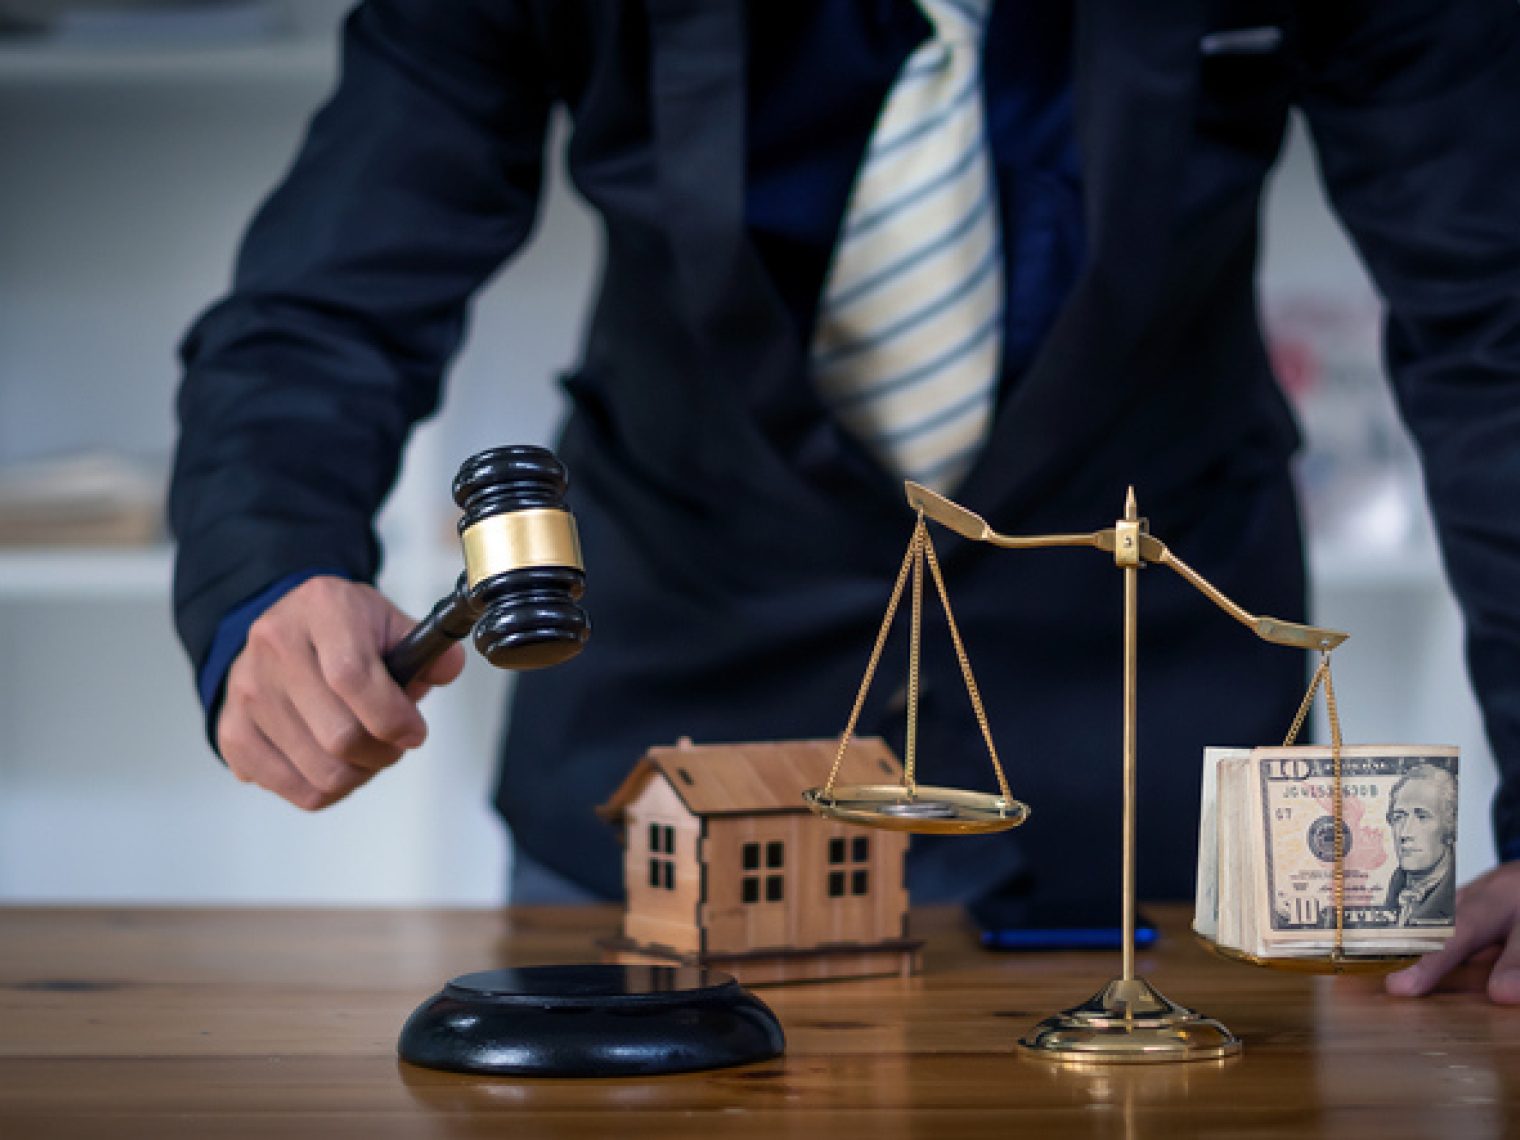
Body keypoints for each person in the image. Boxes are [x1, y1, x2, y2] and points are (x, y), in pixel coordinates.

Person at [169, 0, 1520, 1002]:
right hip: (682, 748)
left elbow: (1497, 337)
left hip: (1150, 773)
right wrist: (270, 573)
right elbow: (320, 313)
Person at [1383, 763, 1459, 927]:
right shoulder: (1392, 895)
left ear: (1450, 824)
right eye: (1399, 817)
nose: (1404, 833)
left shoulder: (1464, 894)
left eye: (1422, 816)